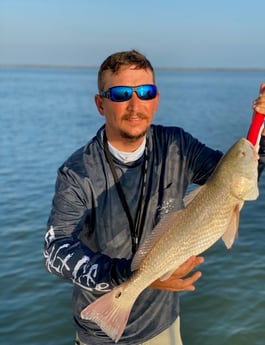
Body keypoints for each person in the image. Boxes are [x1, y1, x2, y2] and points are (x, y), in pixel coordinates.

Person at [44, 50, 265, 345]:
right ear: (100, 103)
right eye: (121, 93)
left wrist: (261, 125)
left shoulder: (177, 145)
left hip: (163, 326)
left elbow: (234, 180)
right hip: (100, 333)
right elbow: (55, 250)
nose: (135, 106)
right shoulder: (78, 173)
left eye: (146, 92)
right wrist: (129, 274)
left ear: (156, 99)